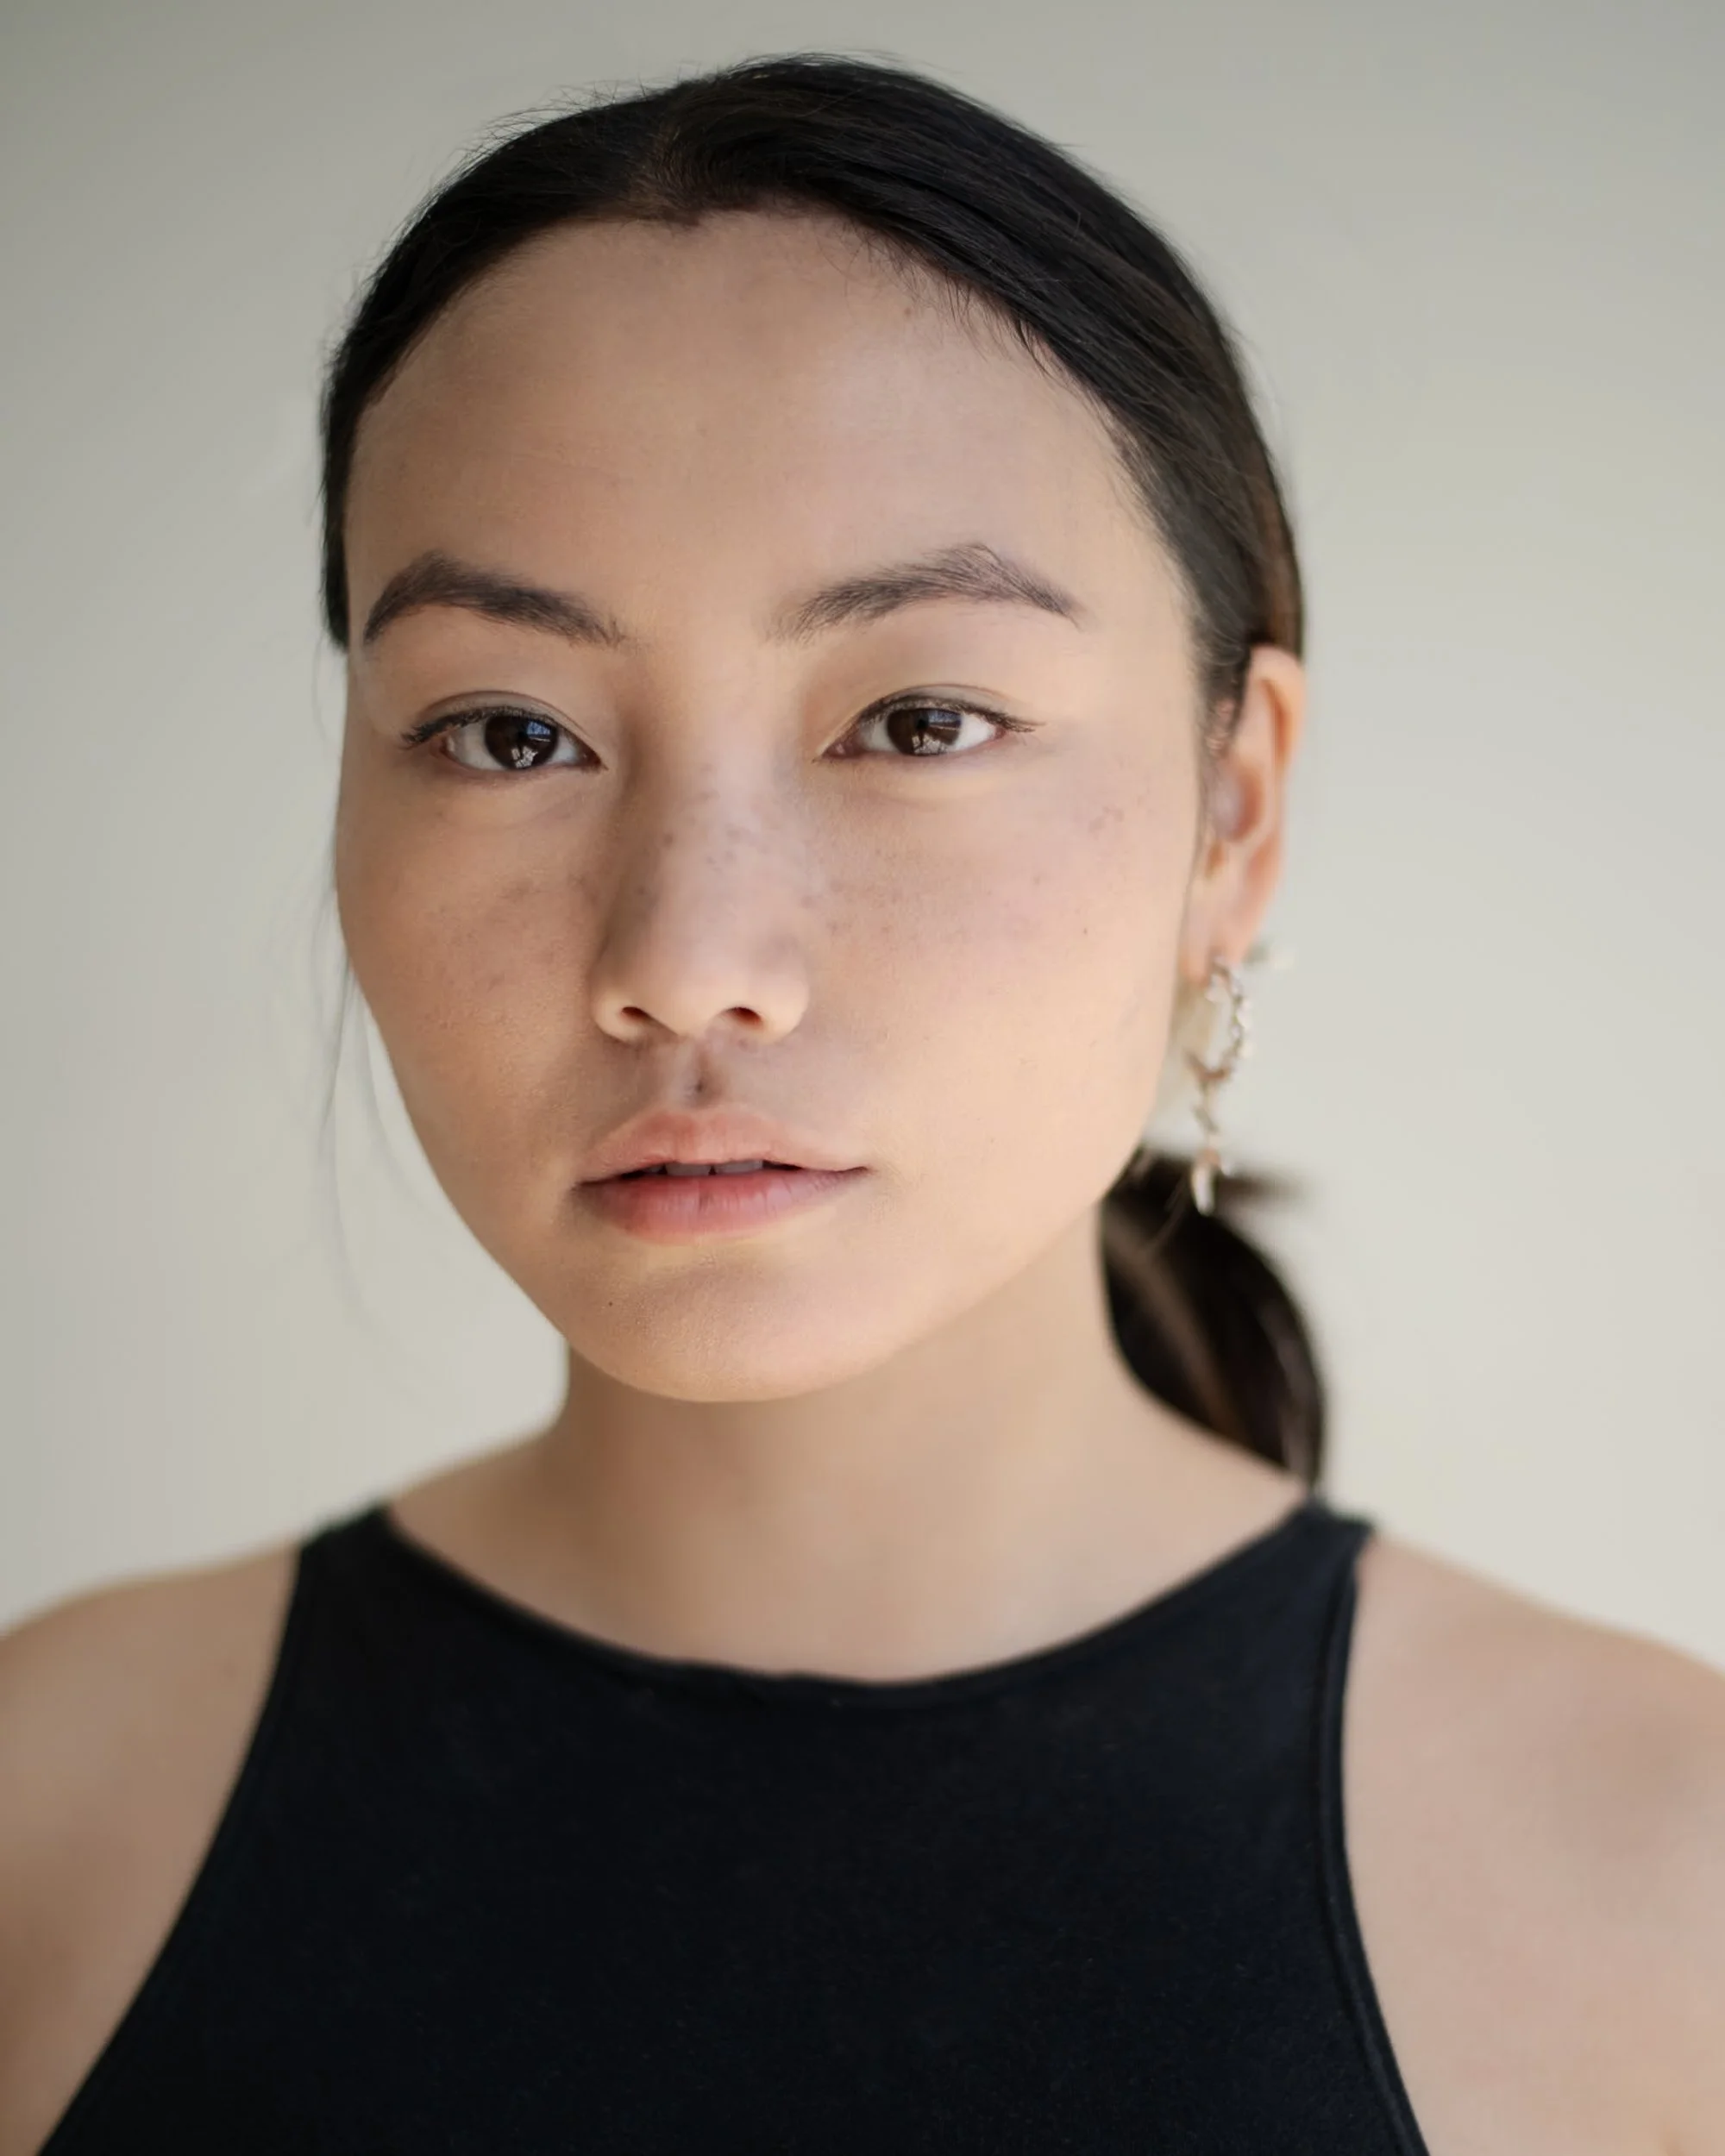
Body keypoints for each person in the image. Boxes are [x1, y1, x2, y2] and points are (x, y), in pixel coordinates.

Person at [0, 52, 1720, 2155]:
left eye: (918, 715)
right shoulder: (43, 1814)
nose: (684, 949)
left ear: (1232, 805)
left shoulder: (1664, 1900)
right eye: (508, 731)